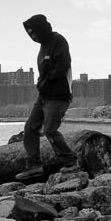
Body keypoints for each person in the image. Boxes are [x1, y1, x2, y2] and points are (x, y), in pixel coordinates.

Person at [16, 14, 77, 181]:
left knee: (50, 130)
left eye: (34, 33)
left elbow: (62, 65)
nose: (32, 37)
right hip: (44, 95)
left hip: (59, 96)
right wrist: (41, 82)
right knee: (30, 128)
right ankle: (34, 165)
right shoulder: (42, 46)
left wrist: (47, 80)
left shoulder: (58, 41)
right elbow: (44, 71)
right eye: (30, 35)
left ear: (42, 29)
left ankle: (71, 162)